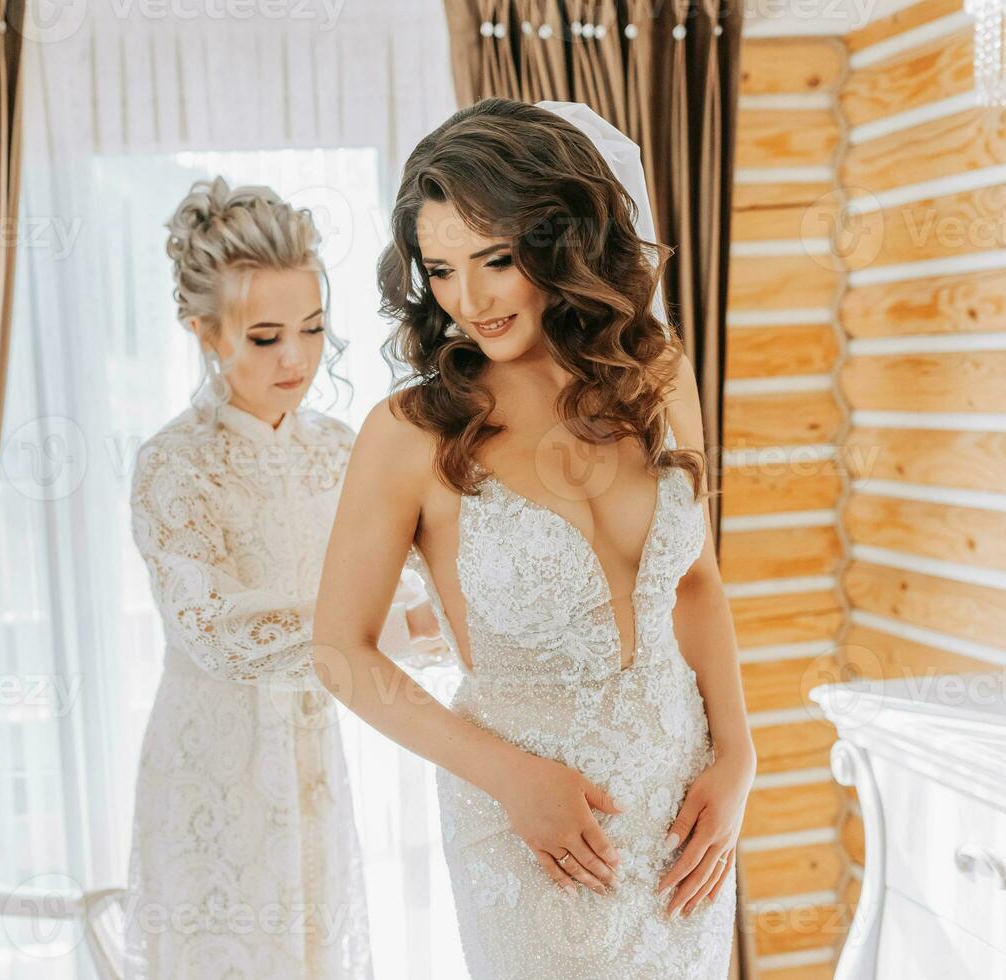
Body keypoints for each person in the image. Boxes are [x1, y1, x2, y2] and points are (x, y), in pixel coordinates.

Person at [312, 99, 754, 978]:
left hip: (685, 801)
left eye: (496, 260)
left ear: (564, 244)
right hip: (532, 827)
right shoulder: (411, 433)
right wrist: (510, 779)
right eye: (438, 270)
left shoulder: (658, 374)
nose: (466, 300)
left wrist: (737, 758)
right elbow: (340, 651)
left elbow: (694, 582)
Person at [124, 176, 444, 979]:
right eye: (265, 337)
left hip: (315, 760)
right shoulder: (172, 465)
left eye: (312, 327)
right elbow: (219, 635)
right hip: (214, 773)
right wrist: (387, 629)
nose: (296, 357)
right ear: (204, 332)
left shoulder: (343, 448)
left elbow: (423, 585)